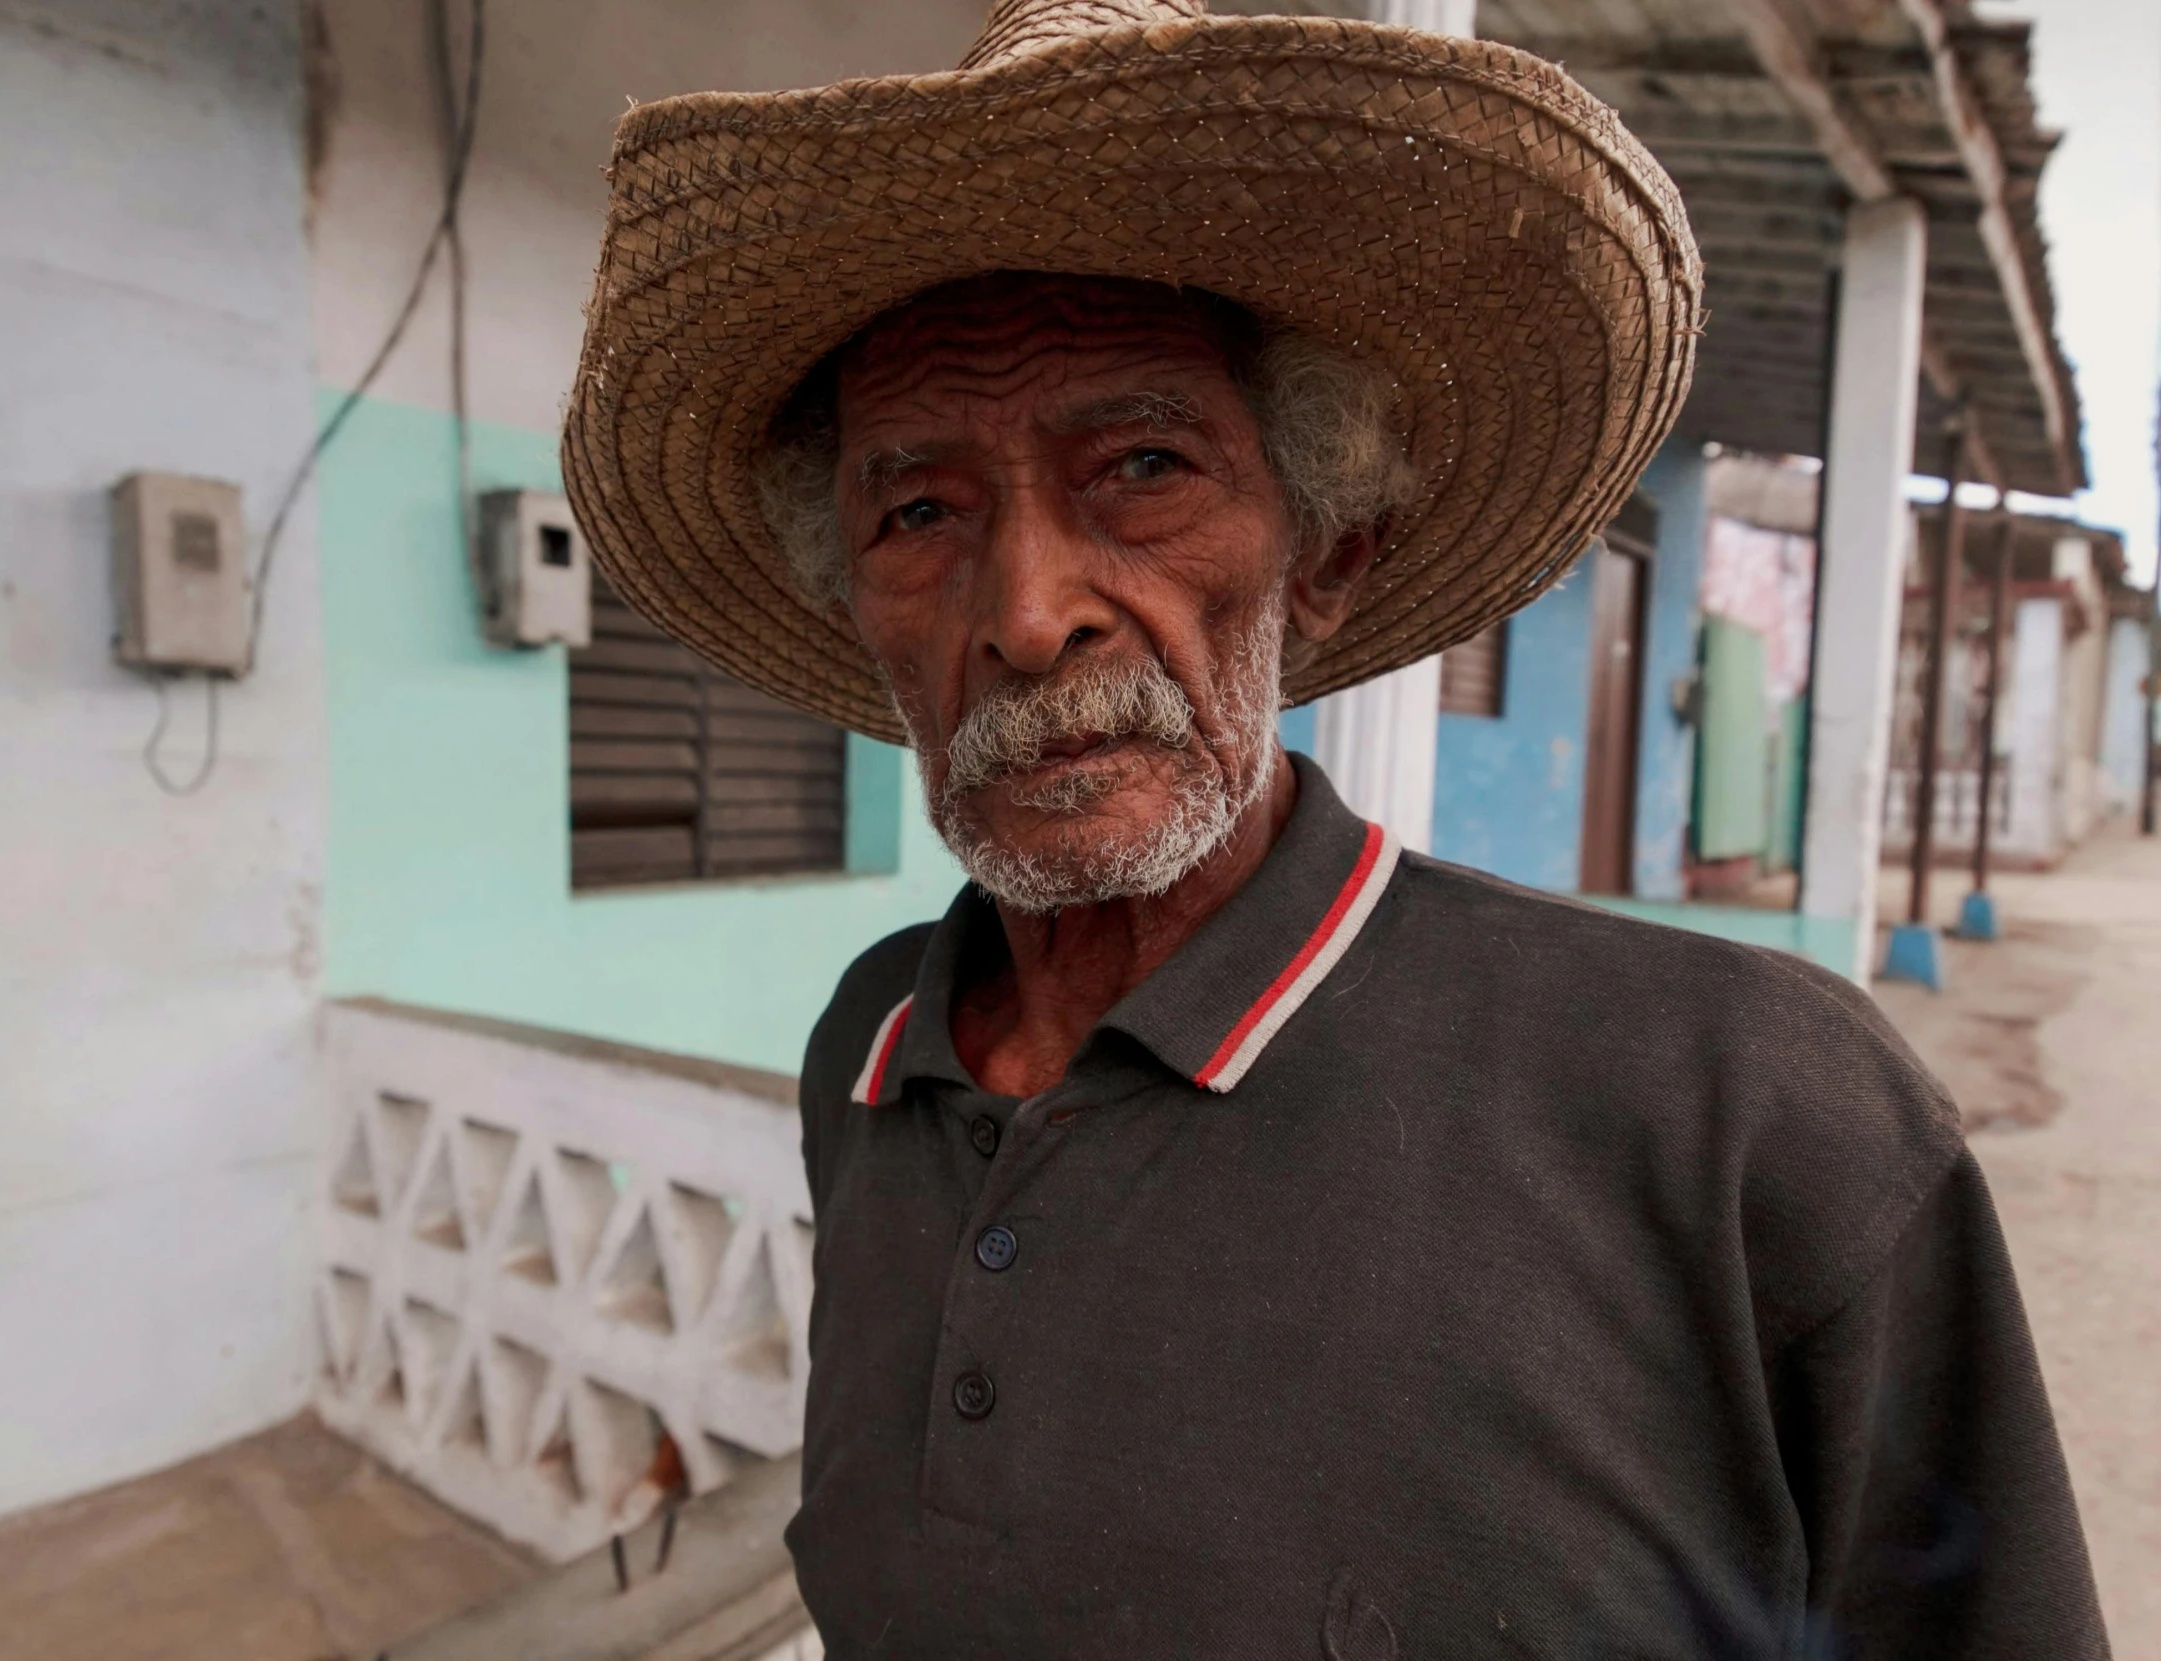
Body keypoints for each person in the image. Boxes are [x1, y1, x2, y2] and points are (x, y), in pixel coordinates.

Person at [563, 1, 2109, 1654]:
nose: (1025, 611)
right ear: (854, 597)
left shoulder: (1746, 1108)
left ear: (1326, 555)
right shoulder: (874, 1044)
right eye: (919, 509)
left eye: (1142, 465)